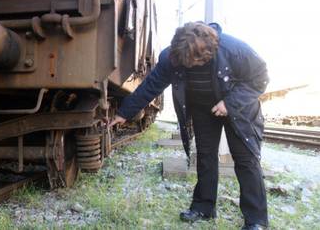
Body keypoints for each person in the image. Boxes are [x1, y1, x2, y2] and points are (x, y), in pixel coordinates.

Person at [109, 22, 269, 230]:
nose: (189, 65)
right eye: (185, 61)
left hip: (239, 110)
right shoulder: (173, 56)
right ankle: (204, 207)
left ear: (208, 51)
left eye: (194, 61)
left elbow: (260, 79)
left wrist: (229, 104)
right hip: (203, 110)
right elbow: (151, 85)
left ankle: (256, 220)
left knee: (246, 160)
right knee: (205, 156)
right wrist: (124, 112)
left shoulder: (234, 49)